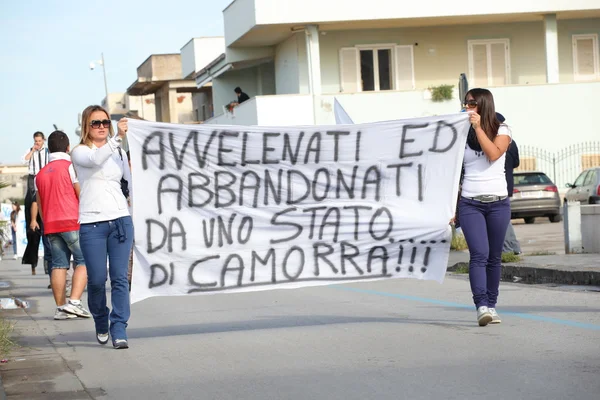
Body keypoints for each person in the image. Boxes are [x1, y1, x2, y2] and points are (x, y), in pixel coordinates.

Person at [71, 105, 133, 349]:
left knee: (120, 278)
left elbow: (128, 182)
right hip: (92, 224)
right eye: (96, 123)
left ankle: (119, 327)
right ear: (87, 126)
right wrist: (118, 137)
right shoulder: (79, 152)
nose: (101, 127)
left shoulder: (118, 152)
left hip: (120, 220)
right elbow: (96, 159)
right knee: (97, 280)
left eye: (105, 122)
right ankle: (100, 318)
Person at [458, 88, 512, 327]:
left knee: (494, 257)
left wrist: (478, 128)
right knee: (479, 254)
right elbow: (450, 171)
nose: (468, 107)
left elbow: (492, 154)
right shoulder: (460, 135)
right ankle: (481, 305)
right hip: (470, 203)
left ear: (483, 105)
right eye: (465, 103)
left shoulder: (503, 130)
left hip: (498, 203)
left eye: (472, 103)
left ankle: (492, 305)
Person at [32, 131, 92, 320]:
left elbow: (40, 204)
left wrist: (46, 221)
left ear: (49, 149)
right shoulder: (70, 167)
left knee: (58, 265)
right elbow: (80, 194)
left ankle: (60, 308)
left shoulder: (39, 175)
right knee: (84, 261)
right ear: (68, 148)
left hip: (51, 225)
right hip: (72, 221)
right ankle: (74, 302)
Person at [21, 132, 52, 275]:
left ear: (43, 140)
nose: (37, 143)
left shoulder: (48, 151)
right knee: (32, 203)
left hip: (45, 176)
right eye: (36, 141)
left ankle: (48, 267)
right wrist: (33, 150)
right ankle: (32, 261)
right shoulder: (30, 150)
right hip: (33, 178)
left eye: (39, 141)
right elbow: (24, 160)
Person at [503, 139, 522, 255]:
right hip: (507, 183)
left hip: (498, 185)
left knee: (502, 219)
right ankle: (513, 247)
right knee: (505, 218)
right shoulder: (510, 140)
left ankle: (508, 249)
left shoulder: (490, 139)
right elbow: (516, 162)